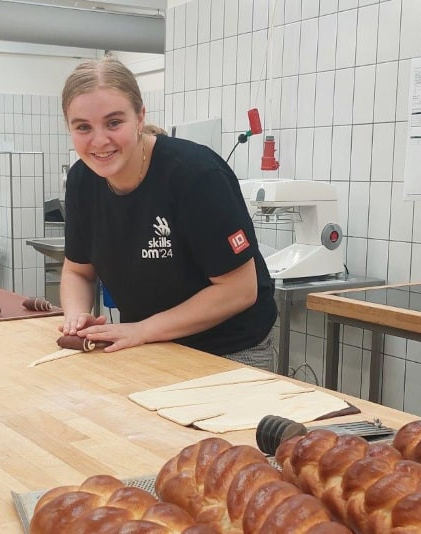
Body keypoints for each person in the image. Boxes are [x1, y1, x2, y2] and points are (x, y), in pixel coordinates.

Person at [59, 56, 278, 370]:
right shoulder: (82, 181)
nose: (100, 141)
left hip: (228, 349)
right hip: (151, 345)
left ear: (140, 117)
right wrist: (76, 318)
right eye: (83, 127)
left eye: (114, 123)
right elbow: (78, 272)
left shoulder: (196, 176)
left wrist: (142, 330)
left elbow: (239, 290)